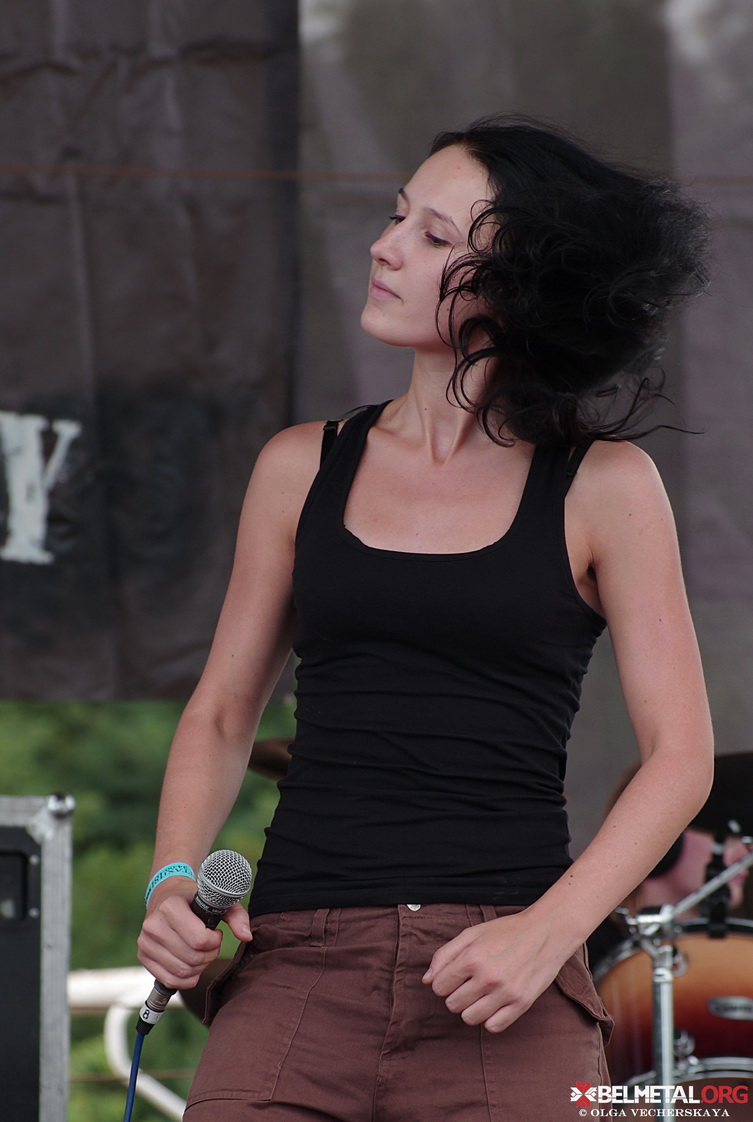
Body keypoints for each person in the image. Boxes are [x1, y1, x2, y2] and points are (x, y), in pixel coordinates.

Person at [137, 115, 714, 1120]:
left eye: (434, 236)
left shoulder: (606, 486)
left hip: (501, 970)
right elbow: (223, 712)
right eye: (396, 216)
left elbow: (680, 756)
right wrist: (171, 878)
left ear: (519, 286)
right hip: (297, 966)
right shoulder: (299, 466)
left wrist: (549, 933)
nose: (383, 246)